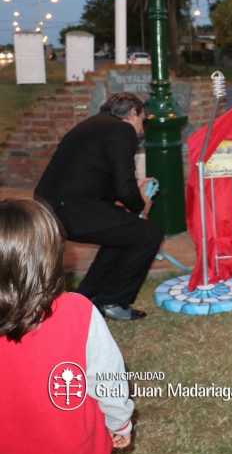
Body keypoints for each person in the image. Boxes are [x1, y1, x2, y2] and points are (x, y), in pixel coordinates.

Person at [0, 198, 134, 454]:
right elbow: (107, 378)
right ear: (49, 258)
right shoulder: (78, 311)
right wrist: (120, 421)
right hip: (74, 448)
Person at [34, 92, 162, 321]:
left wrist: (132, 188)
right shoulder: (122, 130)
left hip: (54, 206)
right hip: (71, 209)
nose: (142, 128)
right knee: (150, 234)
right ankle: (113, 301)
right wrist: (141, 203)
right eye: (143, 119)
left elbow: (97, 177)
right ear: (133, 113)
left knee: (123, 231)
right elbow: (123, 189)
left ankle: (86, 296)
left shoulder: (92, 125)